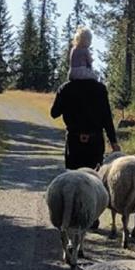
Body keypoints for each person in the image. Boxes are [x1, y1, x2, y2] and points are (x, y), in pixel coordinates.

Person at [51, 27, 120, 169]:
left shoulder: (66, 89)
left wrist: (65, 101)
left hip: (74, 144)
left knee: (74, 183)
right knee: (94, 184)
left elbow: (54, 113)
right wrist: (113, 142)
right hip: (95, 144)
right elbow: (107, 117)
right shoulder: (100, 89)